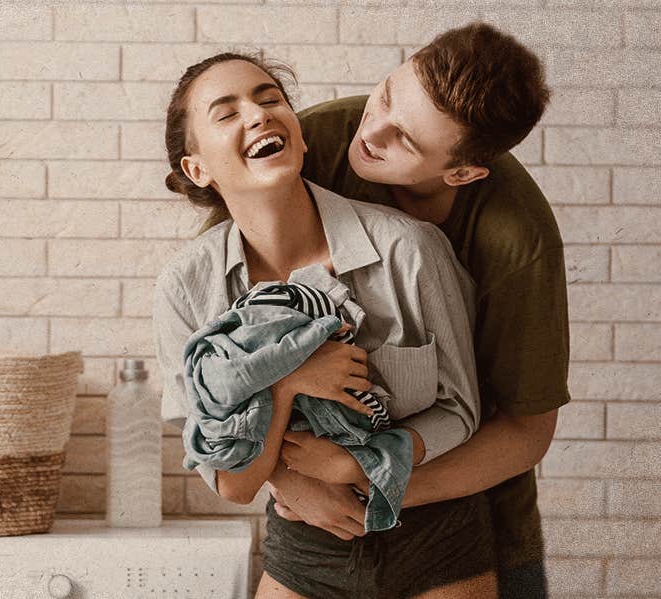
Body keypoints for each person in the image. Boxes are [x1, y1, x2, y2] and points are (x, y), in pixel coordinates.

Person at [238, 23, 568, 598]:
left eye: (406, 141)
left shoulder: (518, 239)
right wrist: (291, 481)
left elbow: (525, 432)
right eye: (388, 93)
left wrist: (367, 479)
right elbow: (216, 328)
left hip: (469, 509)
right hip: (310, 510)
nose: (372, 131)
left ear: (461, 173)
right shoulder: (310, 143)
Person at [153, 52, 498, 598]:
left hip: (438, 543)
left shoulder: (410, 251)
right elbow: (229, 480)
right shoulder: (186, 289)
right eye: (227, 112)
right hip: (305, 545)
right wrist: (288, 380)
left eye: (270, 100)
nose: (260, 114)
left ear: (301, 135)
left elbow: (461, 411)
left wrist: (355, 466)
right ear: (197, 168)